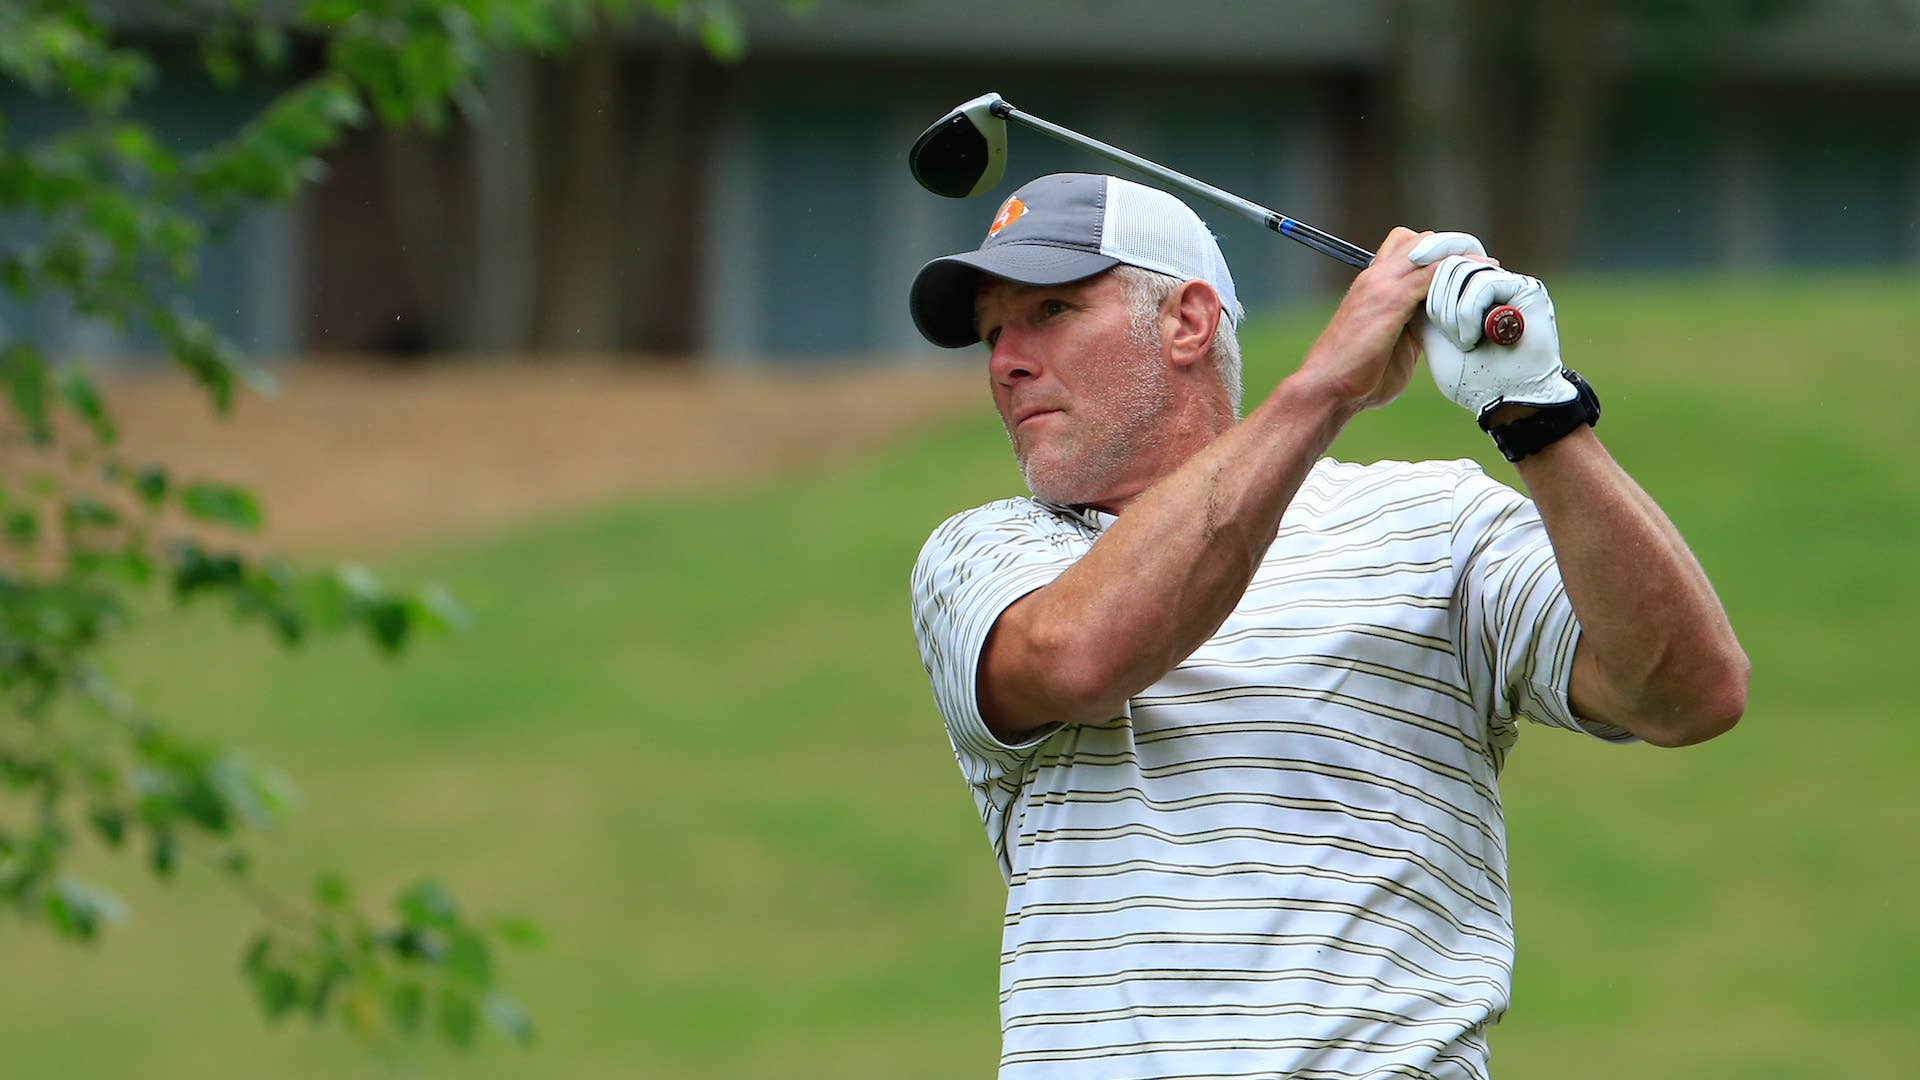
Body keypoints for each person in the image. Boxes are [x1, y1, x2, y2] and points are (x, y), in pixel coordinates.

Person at [905, 172, 1748, 1080]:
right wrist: (1326, 387)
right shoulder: (985, 556)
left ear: (1187, 321)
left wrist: (1540, 415)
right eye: (994, 334)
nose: (1006, 361)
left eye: (1051, 311)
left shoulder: (1435, 522)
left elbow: (1688, 693)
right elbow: (1079, 659)